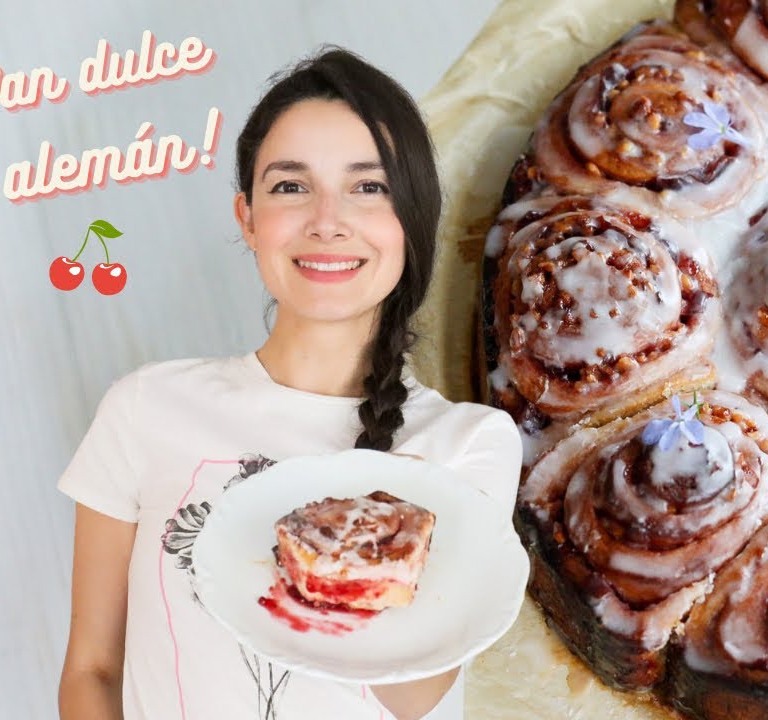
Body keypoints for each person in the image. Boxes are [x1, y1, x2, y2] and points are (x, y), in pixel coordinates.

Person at [56, 46, 521, 720]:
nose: (327, 220)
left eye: (369, 186)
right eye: (290, 186)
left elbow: (415, 697)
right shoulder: (145, 410)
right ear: (248, 217)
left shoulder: (465, 443)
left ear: (411, 219)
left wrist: (387, 518)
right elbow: (92, 670)